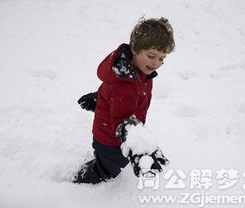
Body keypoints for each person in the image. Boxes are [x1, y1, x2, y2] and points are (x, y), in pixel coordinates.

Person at [72, 17, 175, 184]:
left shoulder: (137, 70)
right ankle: (80, 181)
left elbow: (114, 94)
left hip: (113, 132)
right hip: (111, 140)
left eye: (162, 58)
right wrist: (138, 145)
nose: (157, 63)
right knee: (107, 168)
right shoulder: (125, 83)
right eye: (151, 56)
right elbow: (122, 116)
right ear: (135, 48)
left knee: (110, 160)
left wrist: (100, 99)